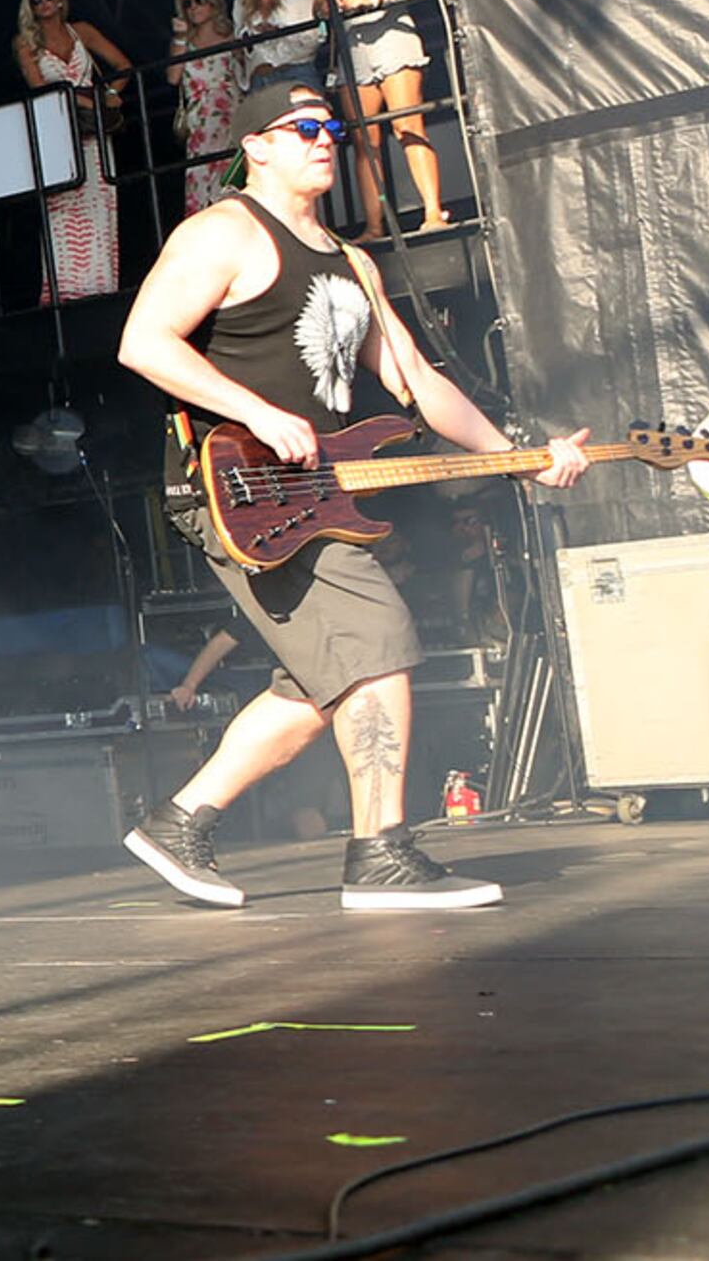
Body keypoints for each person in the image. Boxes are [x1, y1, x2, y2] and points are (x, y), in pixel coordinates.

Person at [115, 82, 586, 913]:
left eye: (330, 125)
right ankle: (380, 856)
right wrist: (258, 412)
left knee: (321, 683)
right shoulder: (223, 233)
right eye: (303, 128)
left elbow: (414, 380)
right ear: (256, 145)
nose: (325, 138)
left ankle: (177, 823)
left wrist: (516, 457)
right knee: (379, 637)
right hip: (236, 484)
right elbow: (144, 342)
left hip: (314, 489)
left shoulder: (349, 259)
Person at [322, 0, 449, 238]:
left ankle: (433, 211)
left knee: (407, 124)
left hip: (391, 37)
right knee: (365, 140)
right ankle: (374, 225)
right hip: (354, 48)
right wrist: (327, 5)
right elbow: (319, 0)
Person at [11, 0, 130, 302]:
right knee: (63, 207)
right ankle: (65, 290)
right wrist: (84, 99)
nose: (45, 2)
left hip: (93, 128)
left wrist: (106, 96)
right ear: (31, 8)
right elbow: (40, 89)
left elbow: (122, 65)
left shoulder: (83, 31)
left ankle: (99, 288)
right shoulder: (26, 44)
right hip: (59, 129)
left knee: (98, 201)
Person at [167, 0, 248, 218]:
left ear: (213, 4)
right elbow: (173, 77)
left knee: (232, 183)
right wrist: (180, 38)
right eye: (187, 3)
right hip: (200, 125)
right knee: (201, 188)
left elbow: (246, 68)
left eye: (199, 0)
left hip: (230, 119)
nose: (193, 7)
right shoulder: (184, 43)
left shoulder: (231, 36)